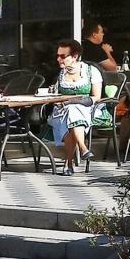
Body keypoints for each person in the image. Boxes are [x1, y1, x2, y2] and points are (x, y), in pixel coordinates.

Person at [50, 38, 103, 174]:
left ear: (75, 56)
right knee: (70, 112)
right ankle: (83, 148)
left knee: (73, 111)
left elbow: (96, 97)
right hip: (62, 110)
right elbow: (54, 95)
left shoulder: (91, 71)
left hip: (88, 109)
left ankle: (69, 162)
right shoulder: (61, 74)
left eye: (63, 56)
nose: (58, 59)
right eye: (58, 56)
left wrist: (73, 102)